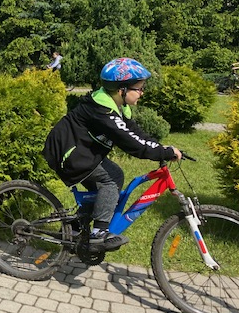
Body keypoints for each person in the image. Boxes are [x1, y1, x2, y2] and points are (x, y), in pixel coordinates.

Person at [42, 58, 182, 252]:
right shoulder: (103, 111)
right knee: (112, 178)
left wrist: (160, 147)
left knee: (105, 186)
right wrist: (163, 152)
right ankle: (98, 233)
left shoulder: (117, 105)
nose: (142, 92)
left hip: (82, 150)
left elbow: (135, 133)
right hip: (68, 153)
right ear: (121, 89)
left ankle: (75, 227)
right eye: (139, 88)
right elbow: (130, 142)